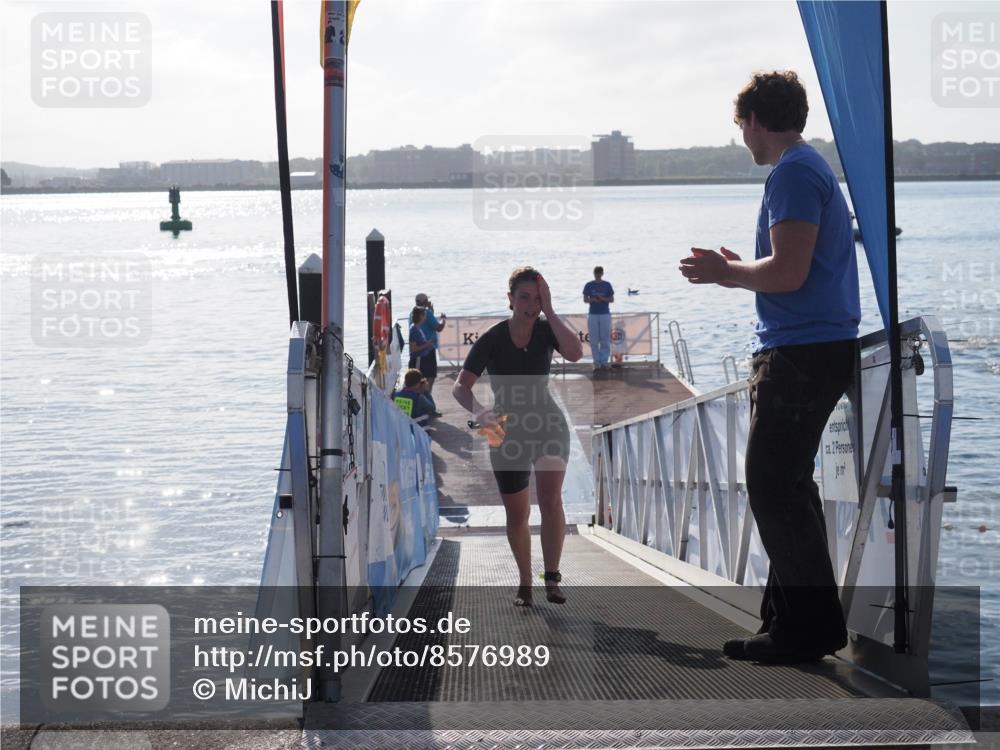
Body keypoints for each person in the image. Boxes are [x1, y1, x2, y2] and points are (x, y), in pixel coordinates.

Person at [678, 70, 860, 664]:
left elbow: (789, 273)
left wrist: (724, 273)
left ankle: (808, 627)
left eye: (742, 127)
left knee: (771, 483)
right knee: (786, 485)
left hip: (802, 353)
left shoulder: (793, 173)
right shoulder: (807, 170)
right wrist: (741, 266)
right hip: (810, 348)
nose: (743, 140)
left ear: (757, 119)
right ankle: (788, 621)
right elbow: (790, 266)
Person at [452, 267, 583, 606]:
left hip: (547, 422)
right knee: (517, 514)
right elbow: (460, 387)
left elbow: (576, 352)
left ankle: (551, 579)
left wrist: (552, 312)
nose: (531, 305)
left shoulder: (545, 329)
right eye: (524, 297)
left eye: (538, 298)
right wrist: (480, 411)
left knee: (551, 497)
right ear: (510, 299)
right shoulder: (493, 337)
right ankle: (525, 582)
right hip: (505, 429)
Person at [414, 292, 446, 401]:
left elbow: (424, 323)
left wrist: (431, 312)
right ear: (425, 302)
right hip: (427, 350)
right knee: (430, 377)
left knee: (419, 377)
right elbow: (439, 327)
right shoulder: (426, 312)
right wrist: (443, 319)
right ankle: (426, 400)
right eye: (427, 300)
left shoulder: (413, 313)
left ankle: (422, 399)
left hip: (417, 352)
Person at [582, 266, 614, 370]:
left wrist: (603, 299)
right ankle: (596, 361)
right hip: (593, 314)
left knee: (605, 339)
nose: (598, 275)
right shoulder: (589, 285)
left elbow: (612, 299)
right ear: (594, 273)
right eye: (596, 273)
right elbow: (585, 299)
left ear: (602, 273)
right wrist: (593, 300)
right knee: (594, 339)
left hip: (605, 314)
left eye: (599, 273)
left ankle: (604, 361)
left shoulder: (607, 284)